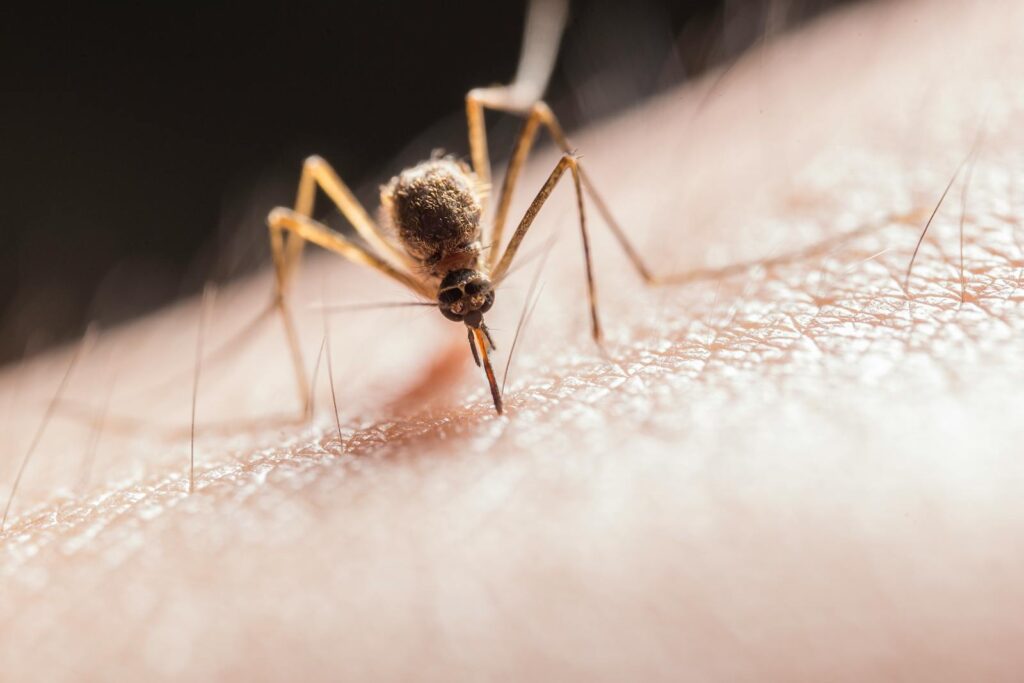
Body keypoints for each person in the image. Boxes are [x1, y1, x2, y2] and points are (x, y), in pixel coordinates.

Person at [1, 0, 1022, 678]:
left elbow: (564, 165)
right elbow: (304, 215)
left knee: (546, 151)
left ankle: (658, 279)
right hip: (424, 215)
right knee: (299, 203)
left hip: (459, 209)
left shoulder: (482, 241)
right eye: (464, 304)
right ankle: (278, 388)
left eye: (471, 302)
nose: (475, 319)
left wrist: (613, 307)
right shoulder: (421, 262)